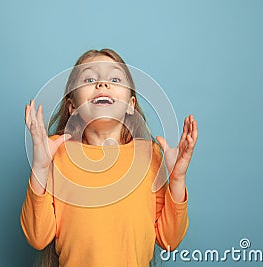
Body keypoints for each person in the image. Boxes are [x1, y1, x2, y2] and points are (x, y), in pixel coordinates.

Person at [21, 48, 198, 267]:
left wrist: (178, 179)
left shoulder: (149, 155)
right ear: (73, 106)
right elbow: (37, 238)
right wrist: (40, 166)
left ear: (131, 105)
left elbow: (169, 240)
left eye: (114, 78)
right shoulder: (58, 154)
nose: (102, 84)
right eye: (89, 79)